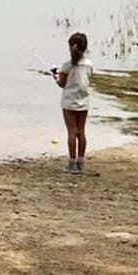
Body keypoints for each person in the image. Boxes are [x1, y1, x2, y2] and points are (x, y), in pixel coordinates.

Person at [52, 32, 92, 174]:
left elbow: (62, 84)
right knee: (81, 131)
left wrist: (56, 77)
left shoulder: (66, 66)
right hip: (84, 101)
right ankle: (81, 162)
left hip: (69, 102)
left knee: (72, 132)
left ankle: (72, 163)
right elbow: (87, 79)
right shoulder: (88, 65)